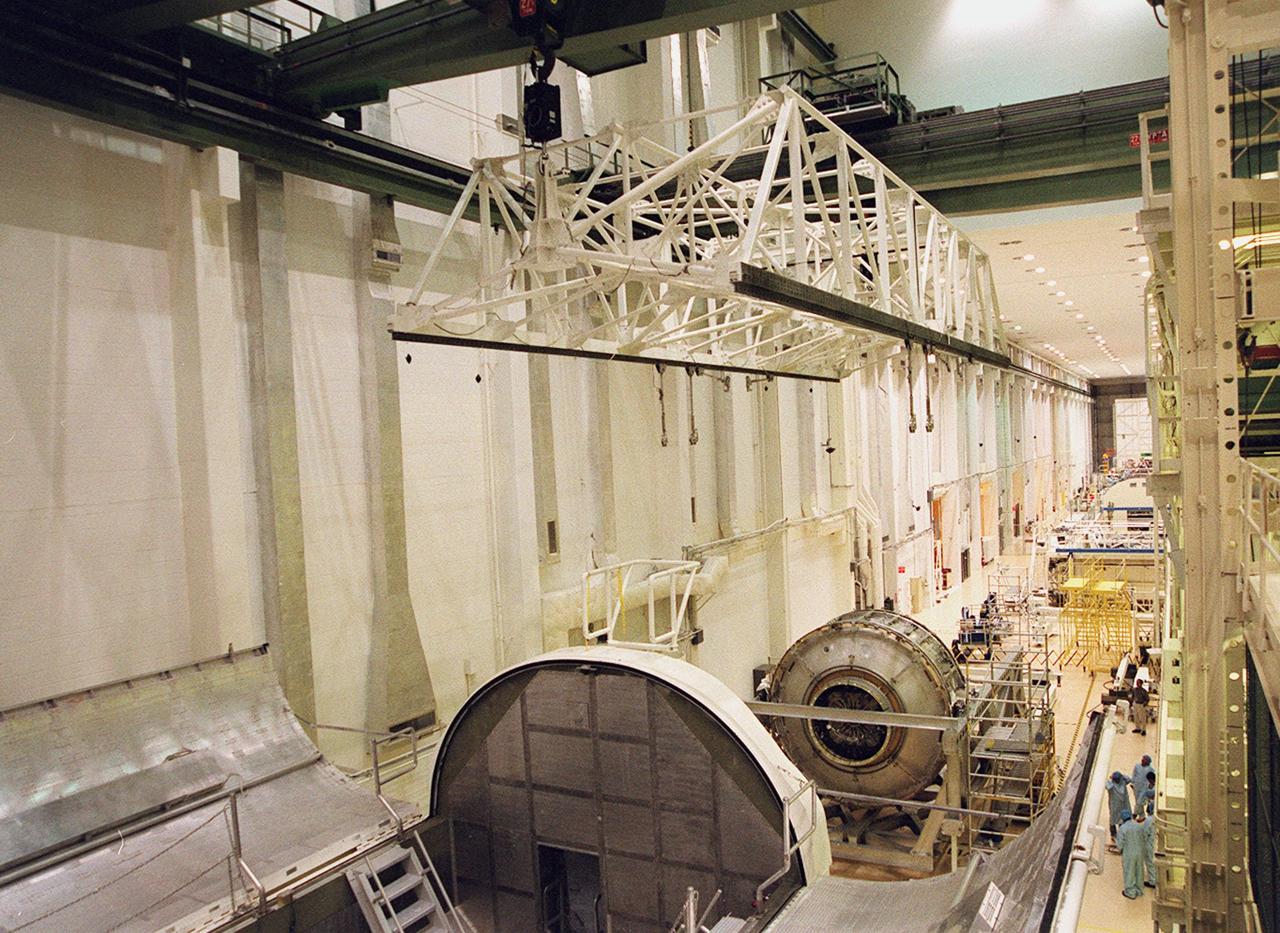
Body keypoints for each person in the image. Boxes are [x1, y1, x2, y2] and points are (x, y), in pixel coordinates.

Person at [1116, 809, 1147, 899]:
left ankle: (1130, 892)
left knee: (1129, 871)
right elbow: (1144, 837)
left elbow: (1120, 844)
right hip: (1140, 852)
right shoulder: (1138, 826)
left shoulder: (1123, 828)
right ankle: (1139, 889)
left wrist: (1119, 849)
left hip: (1129, 853)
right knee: (1139, 871)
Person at [1105, 771, 1133, 852]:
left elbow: (1107, 785)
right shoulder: (1123, 782)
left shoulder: (1111, 785)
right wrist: (1122, 775)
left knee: (1113, 820)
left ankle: (1114, 835)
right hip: (1123, 805)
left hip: (1115, 806)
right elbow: (1129, 779)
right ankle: (1120, 835)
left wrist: (1111, 778)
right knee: (1121, 820)